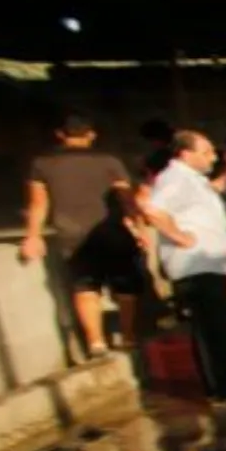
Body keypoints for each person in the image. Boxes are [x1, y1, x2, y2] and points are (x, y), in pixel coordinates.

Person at [20, 112, 140, 357]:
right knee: (125, 286)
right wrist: (137, 225)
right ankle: (128, 337)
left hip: (72, 233)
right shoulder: (109, 161)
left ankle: (96, 343)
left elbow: (38, 203)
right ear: (92, 135)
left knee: (85, 287)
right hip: (112, 229)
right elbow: (126, 199)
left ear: (60, 135)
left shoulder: (42, 164)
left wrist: (33, 235)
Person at [140, 129, 226, 403]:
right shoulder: (175, 178)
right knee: (211, 329)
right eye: (206, 152)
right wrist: (178, 236)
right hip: (197, 265)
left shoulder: (193, 180)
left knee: (220, 327)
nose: (212, 157)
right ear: (186, 154)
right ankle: (221, 390)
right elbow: (153, 209)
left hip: (210, 263)